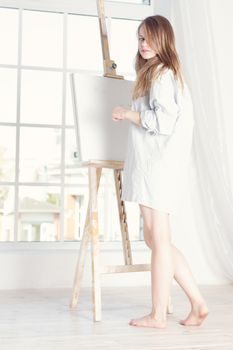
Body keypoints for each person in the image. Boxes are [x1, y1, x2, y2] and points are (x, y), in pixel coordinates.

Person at [111, 15, 209, 329]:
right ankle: (198, 303)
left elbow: (163, 122)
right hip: (155, 165)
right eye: (140, 38)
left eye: (149, 38)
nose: (143, 45)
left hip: (157, 165)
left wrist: (128, 113)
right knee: (157, 239)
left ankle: (157, 315)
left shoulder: (163, 75)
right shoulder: (159, 73)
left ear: (163, 40)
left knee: (159, 238)